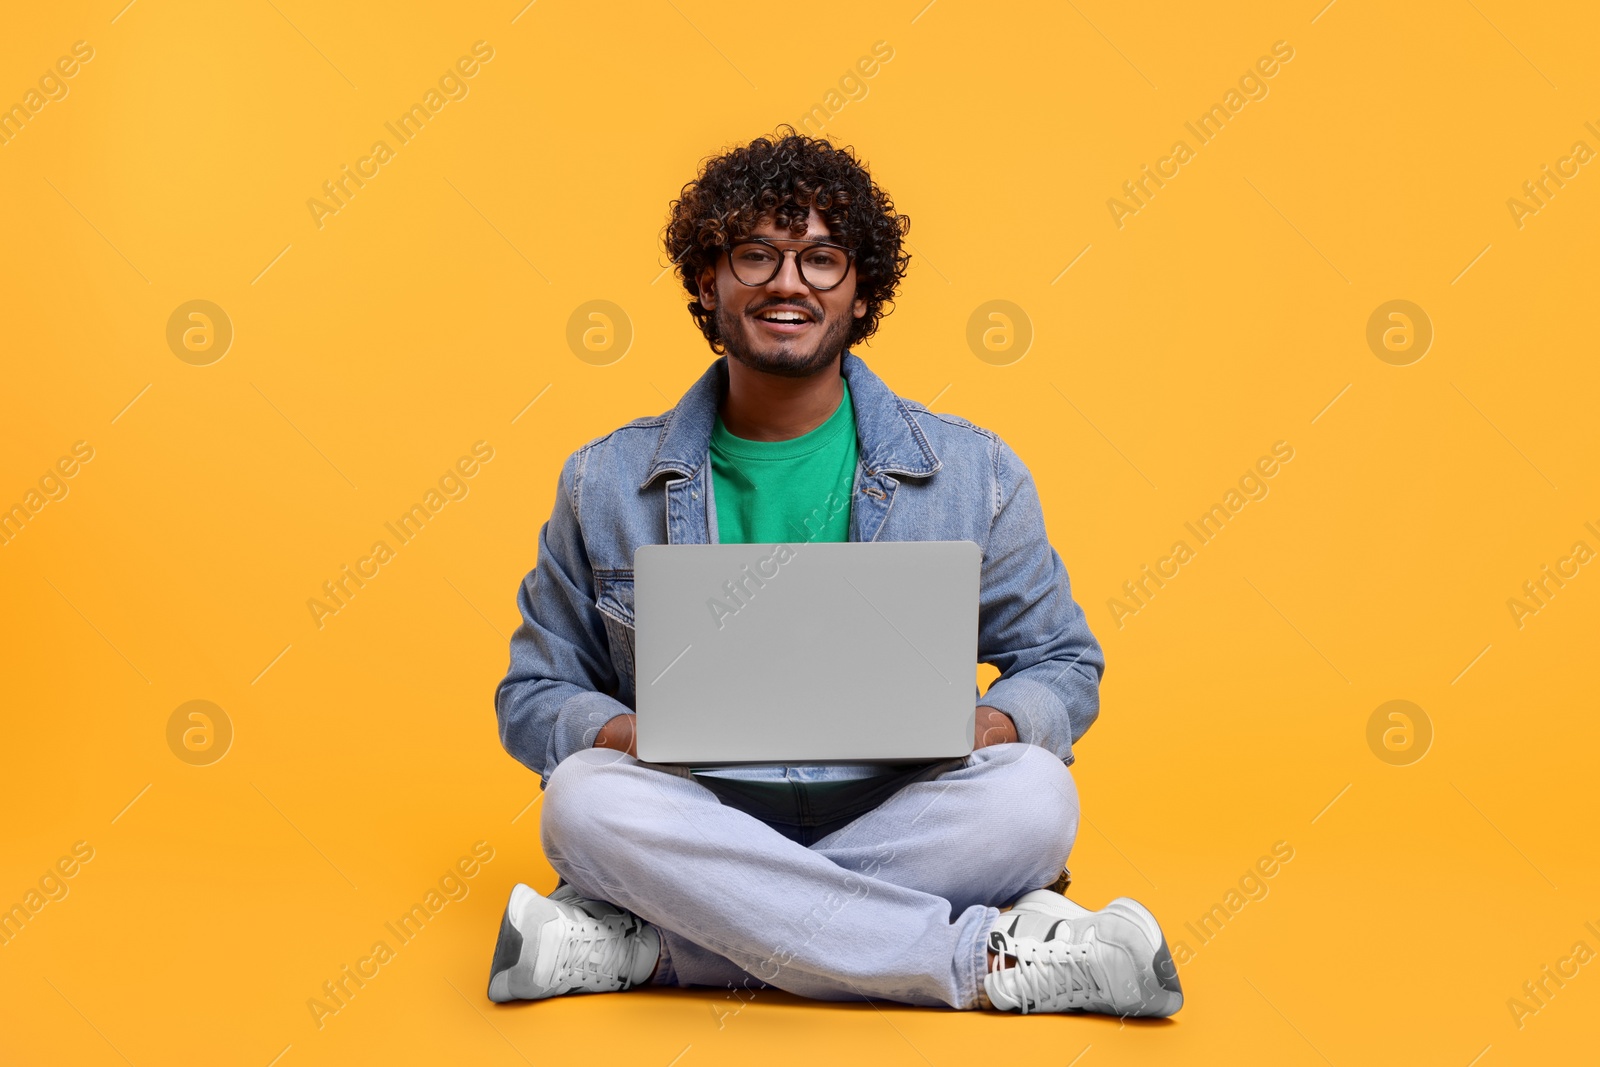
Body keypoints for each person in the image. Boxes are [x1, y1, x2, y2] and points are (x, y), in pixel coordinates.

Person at [486, 128, 1183, 1017]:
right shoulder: (603, 480)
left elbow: (1065, 664)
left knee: (1037, 794)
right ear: (709, 281)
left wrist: (987, 722)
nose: (788, 282)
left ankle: (660, 944)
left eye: (821, 258)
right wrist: (630, 737)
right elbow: (533, 694)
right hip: (700, 809)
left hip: (902, 806)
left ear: (860, 295)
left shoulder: (976, 471)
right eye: (755, 255)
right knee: (581, 800)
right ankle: (986, 960)